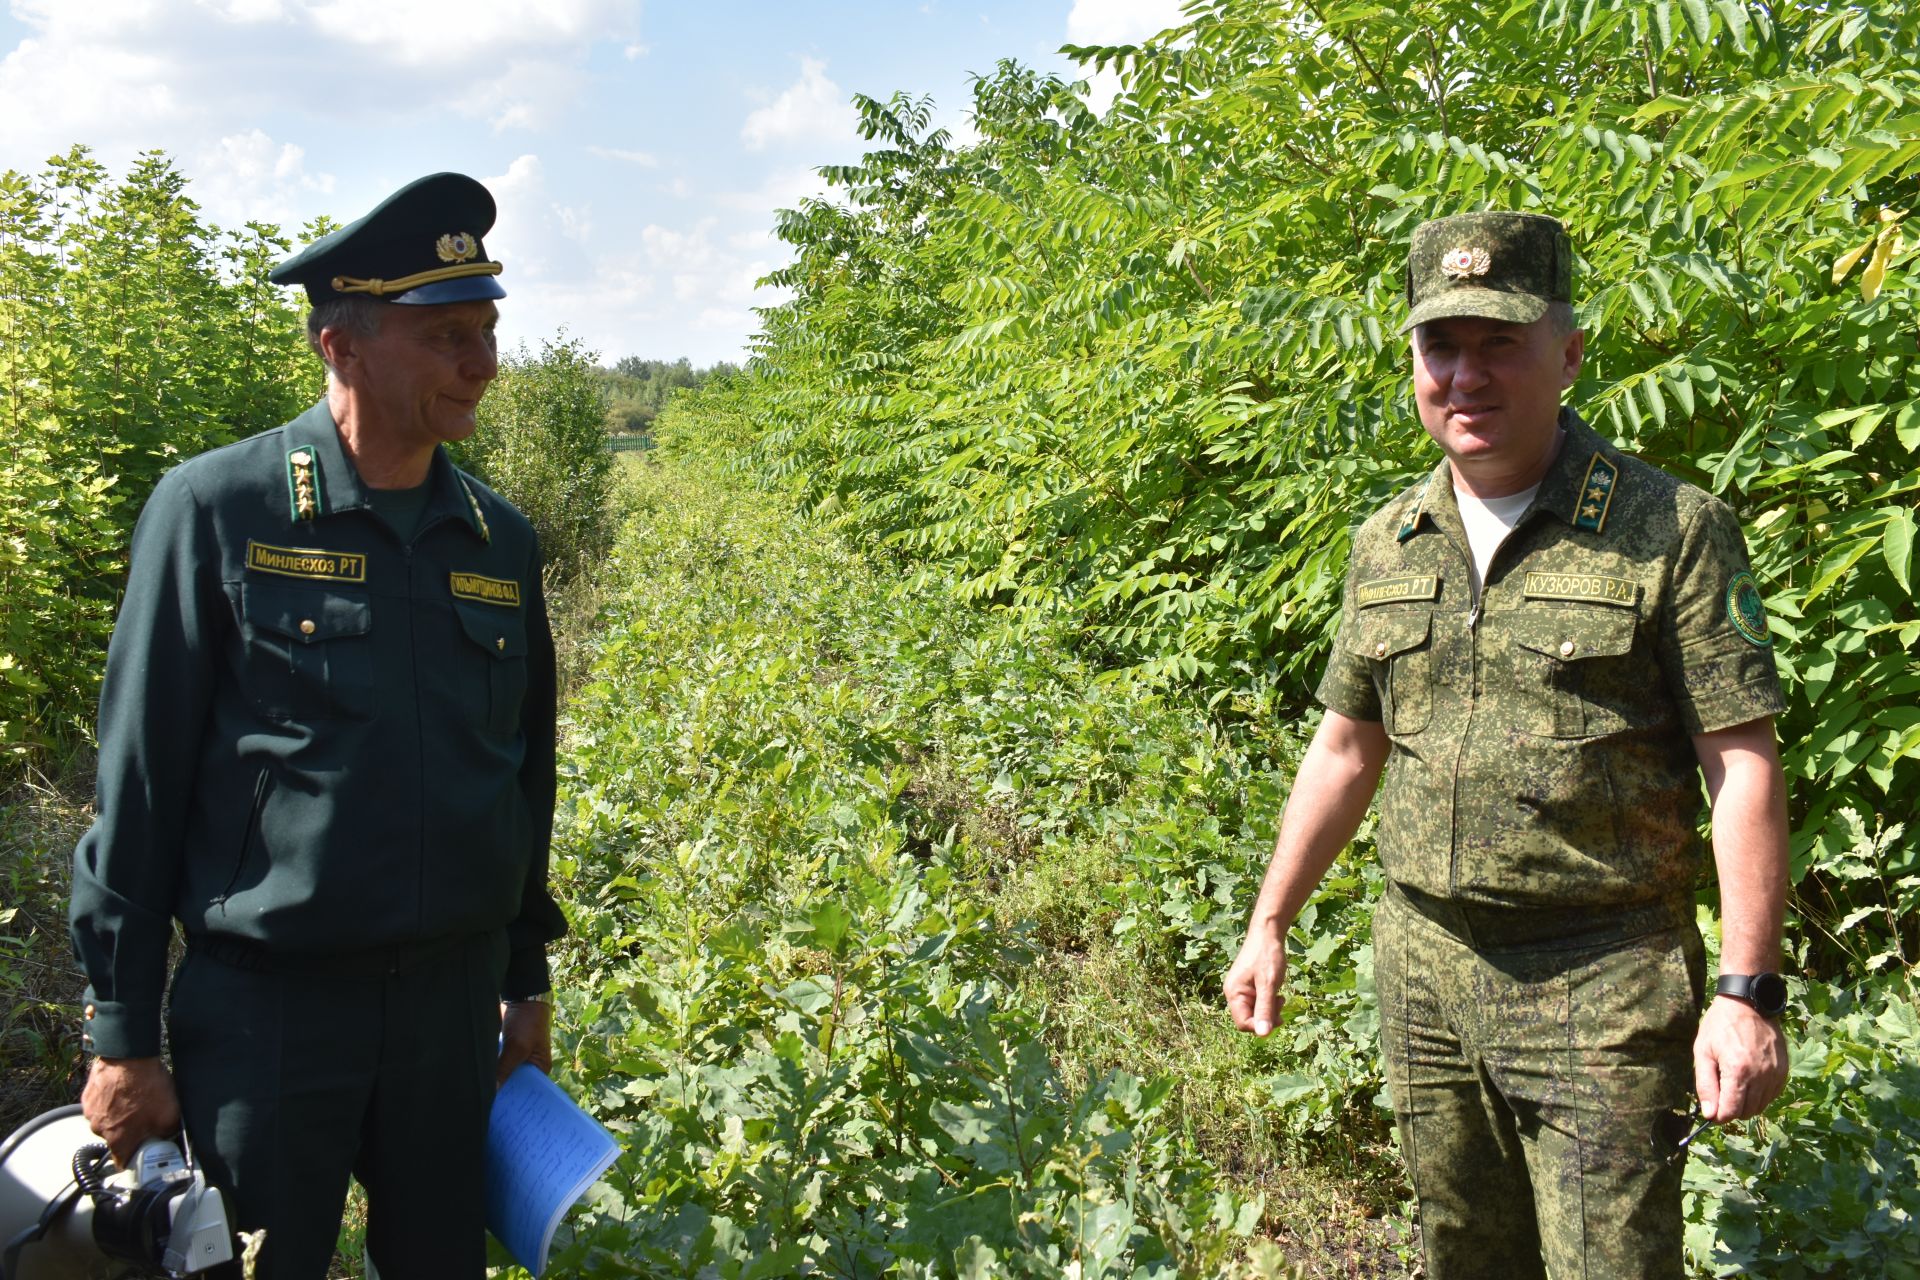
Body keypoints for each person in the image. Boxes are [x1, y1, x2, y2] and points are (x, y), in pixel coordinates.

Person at [1223, 211, 1791, 1278]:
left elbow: (1741, 762)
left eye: (1500, 343)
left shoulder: (1670, 528)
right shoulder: (1389, 540)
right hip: (1425, 975)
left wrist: (1746, 988)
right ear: (1412, 360)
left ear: (1568, 353)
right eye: (1442, 346)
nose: (1465, 375)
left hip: (1602, 980)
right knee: (1462, 1252)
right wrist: (1269, 920)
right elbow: (1348, 744)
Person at [68, 172, 568, 1279]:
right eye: (446, 337)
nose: (481, 364)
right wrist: (123, 1031)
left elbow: (523, 777)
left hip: (450, 1018)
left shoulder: (499, 541)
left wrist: (524, 979)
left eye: (486, 331)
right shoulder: (217, 510)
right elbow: (140, 786)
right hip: (269, 1017)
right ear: (341, 345)